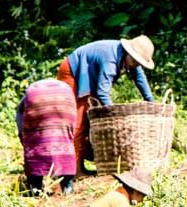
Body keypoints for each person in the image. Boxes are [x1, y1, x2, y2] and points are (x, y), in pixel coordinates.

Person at [56, 36, 156, 175]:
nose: (135, 66)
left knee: (90, 120)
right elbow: (102, 92)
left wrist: (151, 102)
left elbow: (140, 78)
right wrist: (115, 115)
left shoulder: (130, 60)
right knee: (78, 121)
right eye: (135, 62)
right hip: (73, 71)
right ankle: (73, 170)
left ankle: (80, 164)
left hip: (91, 74)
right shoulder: (110, 59)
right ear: (129, 53)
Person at [15, 78, 77, 195]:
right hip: (65, 96)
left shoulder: (29, 95)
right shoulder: (64, 87)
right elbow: (72, 127)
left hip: (37, 97)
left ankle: (36, 189)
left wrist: (23, 136)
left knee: (34, 145)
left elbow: (19, 114)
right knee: (65, 140)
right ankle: (67, 187)